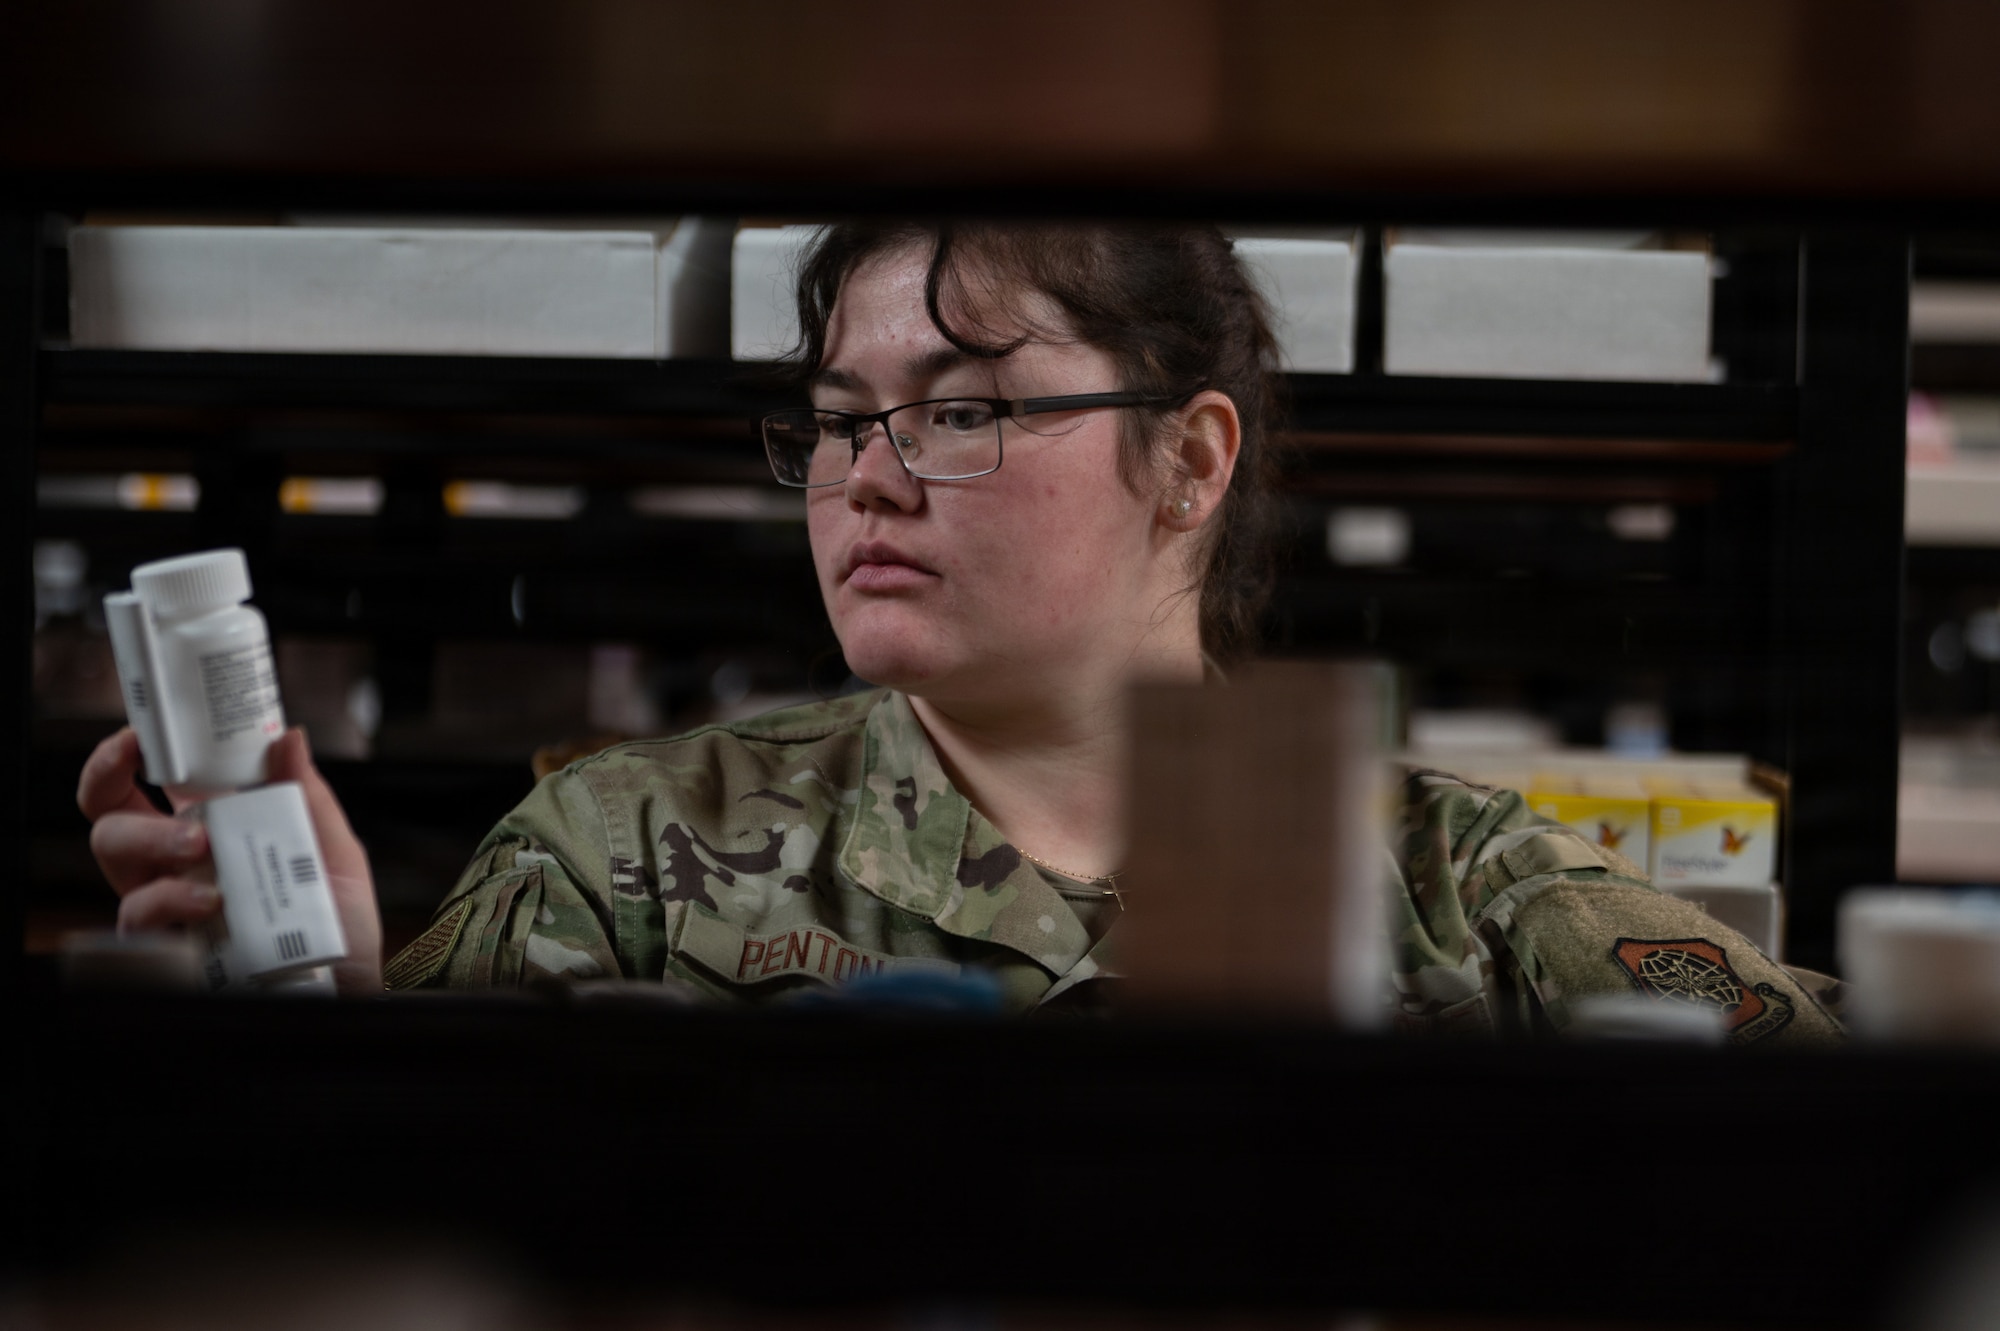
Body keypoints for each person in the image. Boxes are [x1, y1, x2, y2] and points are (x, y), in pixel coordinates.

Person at [78, 219, 1841, 1044]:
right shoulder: (620, 852)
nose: (869, 479)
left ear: (1189, 459)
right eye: (840, 419)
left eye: (967, 407)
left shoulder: (1469, 892)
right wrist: (326, 995)